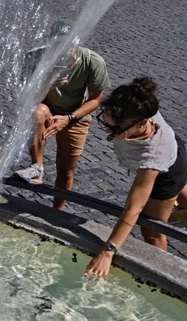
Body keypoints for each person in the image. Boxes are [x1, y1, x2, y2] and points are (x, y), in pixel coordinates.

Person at [85, 77, 187, 278]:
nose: (106, 129)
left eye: (113, 128)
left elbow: (133, 208)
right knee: (179, 188)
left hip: (167, 170)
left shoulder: (153, 156)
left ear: (142, 124)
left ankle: (162, 273)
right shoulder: (138, 106)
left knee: (151, 228)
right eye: (104, 121)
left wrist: (108, 250)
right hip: (176, 155)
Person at [15, 19, 111, 210]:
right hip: (46, 108)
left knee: (66, 171)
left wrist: (69, 119)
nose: (63, 48)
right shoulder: (34, 57)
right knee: (36, 112)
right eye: (57, 44)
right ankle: (37, 167)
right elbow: (27, 100)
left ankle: (57, 212)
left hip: (76, 116)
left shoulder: (93, 62)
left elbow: (97, 99)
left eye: (68, 43)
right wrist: (46, 85)